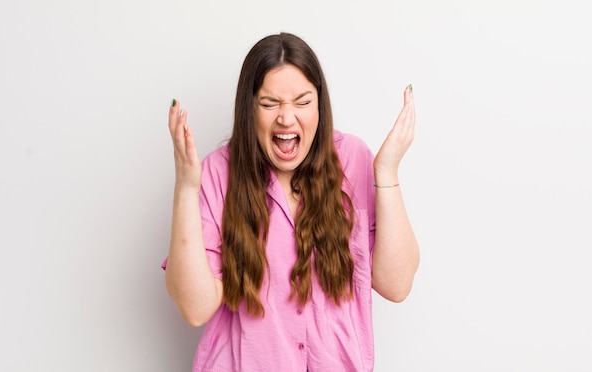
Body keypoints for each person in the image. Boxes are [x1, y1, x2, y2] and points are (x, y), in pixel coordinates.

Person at [162, 32, 419, 371]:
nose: (286, 117)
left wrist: (386, 172)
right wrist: (185, 188)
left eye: (302, 101)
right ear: (249, 108)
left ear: (319, 104)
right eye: (269, 104)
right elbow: (195, 308)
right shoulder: (217, 172)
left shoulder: (353, 159)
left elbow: (396, 285)